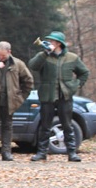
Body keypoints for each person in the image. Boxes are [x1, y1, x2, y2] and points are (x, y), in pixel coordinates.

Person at [28, 31, 89, 162]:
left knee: (67, 125)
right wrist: (45, 53)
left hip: (64, 96)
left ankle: (72, 152)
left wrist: (75, 86)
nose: (49, 43)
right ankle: (41, 152)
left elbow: (84, 72)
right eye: (49, 40)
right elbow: (32, 66)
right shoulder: (43, 56)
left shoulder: (72, 57)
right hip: (47, 96)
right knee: (45, 125)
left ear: (59, 43)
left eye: (52, 41)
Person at [0, 41, 34, 161]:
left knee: (7, 126)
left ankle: (6, 153)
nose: (1, 58)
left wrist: (21, 98)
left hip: (10, 101)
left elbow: (28, 81)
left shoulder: (18, 64)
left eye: (3, 56)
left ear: (9, 52)